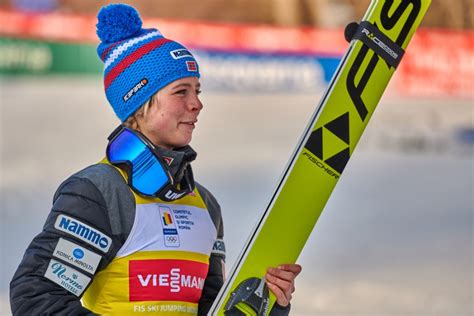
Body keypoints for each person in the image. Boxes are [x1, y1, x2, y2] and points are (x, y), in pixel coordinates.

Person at [10, 4, 301, 315]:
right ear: (139, 103)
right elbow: (36, 297)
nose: (197, 104)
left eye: (197, 91)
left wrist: (268, 304)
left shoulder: (205, 206)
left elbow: (210, 309)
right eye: (181, 92)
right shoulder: (99, 193)